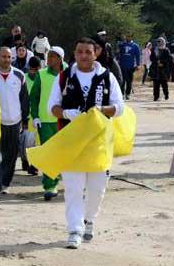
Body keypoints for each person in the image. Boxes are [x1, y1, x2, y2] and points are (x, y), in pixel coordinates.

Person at [48, 38, 124, 249]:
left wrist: (101, 110)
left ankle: (89, 220)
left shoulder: (107, 77)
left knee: (97, 188)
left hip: (98, 141)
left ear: (95, 54)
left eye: (88, 52)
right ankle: (74, 229)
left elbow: (120, 107)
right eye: (80, 51)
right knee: (73, 188)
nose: (84, 55)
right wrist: (65, 113)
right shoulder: (64, 77)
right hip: (71, 140)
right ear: (75, 53)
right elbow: (51, 107)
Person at [0, 47, 29, 198]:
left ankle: (4, 183)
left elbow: (24, 99)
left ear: (12, 58)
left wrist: (25, 120)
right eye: (3, 56)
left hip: (15, 121)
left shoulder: (20, 75)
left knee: (10, 156)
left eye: (8, 57)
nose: (6, 59)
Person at [29, 46, 67, 200]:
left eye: (52, 56)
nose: (49, 59)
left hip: (65, 120)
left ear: (60, 59)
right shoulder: (41, 74)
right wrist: (35, 116)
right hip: (46, 121)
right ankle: (50, 185)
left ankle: (61, 178)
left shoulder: (69, 74)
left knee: (64, 153)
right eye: (48, 56)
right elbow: (34, 97)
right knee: (49, 153)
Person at [20, 57, 42, 175]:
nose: (33, 72)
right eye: (32, 69)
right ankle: (25, 160)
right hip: (26, 115)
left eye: (36, 70)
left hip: (39, 115)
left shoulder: (42, 78)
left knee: (36, 142)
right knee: (26, 141)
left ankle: (34, 164)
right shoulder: (23, 78)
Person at [117, 34, 141, 100]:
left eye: (129, 36)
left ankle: (127, 94)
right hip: (122, 65)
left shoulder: (135, 46)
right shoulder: (122, 45)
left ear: (132, 37)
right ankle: (121, 94)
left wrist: (138, 64)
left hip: (131, 66)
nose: (128, 37)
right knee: (122, 81)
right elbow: (118, 54)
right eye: (127, 36)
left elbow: (138, 56)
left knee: (129, 81)